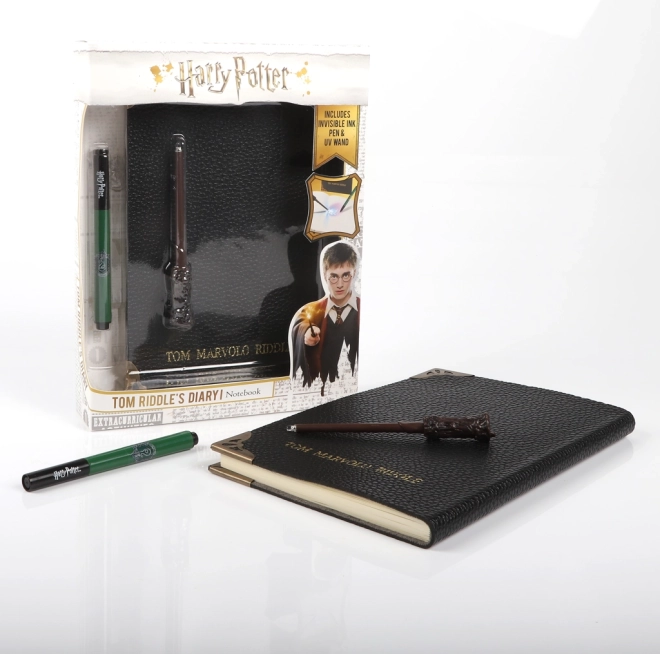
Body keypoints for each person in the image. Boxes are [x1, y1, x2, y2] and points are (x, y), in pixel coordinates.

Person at [290, 242, 360, 394]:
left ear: (354, 273)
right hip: (317, 391)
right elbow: (301, 323)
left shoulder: (365, 310)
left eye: (345, 275)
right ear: (325, 274)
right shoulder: (311, 310)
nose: (340, 284)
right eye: (333, 277)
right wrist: (306, 333)